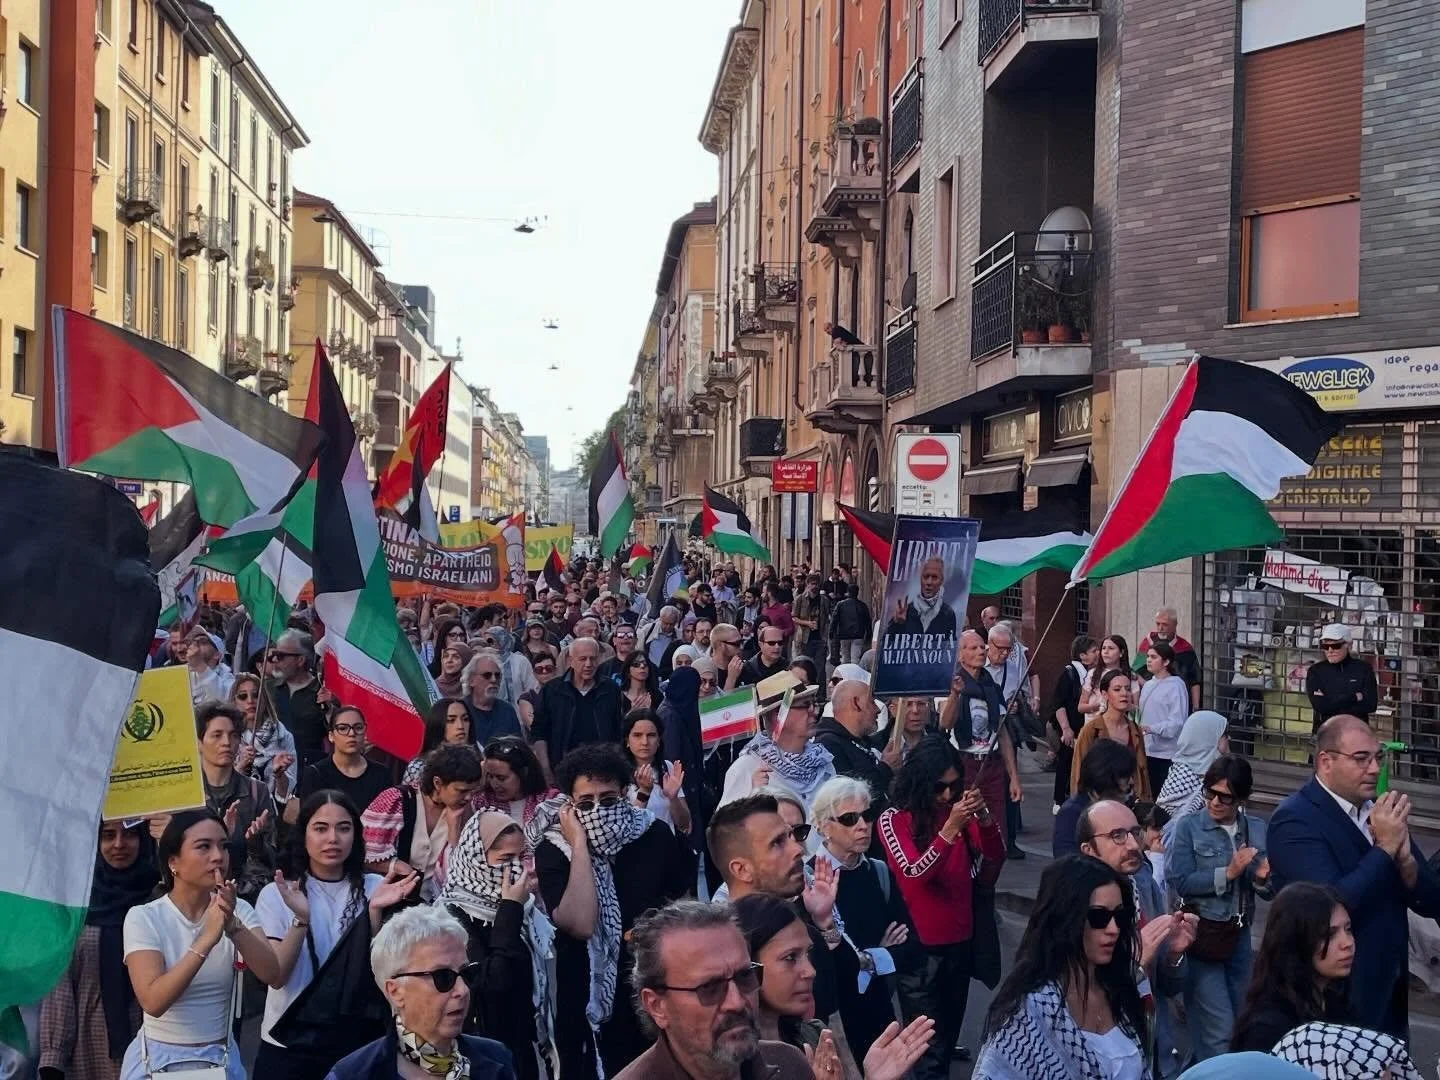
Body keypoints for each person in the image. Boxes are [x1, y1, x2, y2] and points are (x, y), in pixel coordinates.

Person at [1266, 714, 1440, 1038]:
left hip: (1391, 994)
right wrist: (1384, 850)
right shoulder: (1294, 820)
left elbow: (1431, 901)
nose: (1374, 769)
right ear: (1326, 762)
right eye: (1361, 759)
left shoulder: (1379, 813)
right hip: (1335, 1002)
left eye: (1378, 758)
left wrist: (1407, 864)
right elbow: (1329, 904)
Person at [536, 743, 693, 1078]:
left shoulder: (652, 833)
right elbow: (579, 924)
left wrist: (650, 930)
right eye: (585, 802)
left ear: (624, 793)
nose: (597, 809)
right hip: (586, 988)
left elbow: (679, 902)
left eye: (607, 799)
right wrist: (580, 846)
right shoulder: (555, 848)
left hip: (648, 979)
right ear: (570, 804)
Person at [254, 791, 419, 1078]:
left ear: (356, 835)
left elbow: (386, 973)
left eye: (344, 828)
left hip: (355, 1041)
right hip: (288, 1042)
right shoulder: (278, 893)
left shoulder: (376, 887)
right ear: (303, 835)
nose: (333, 838)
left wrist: (374, 914)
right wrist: (300, 919)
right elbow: (277, 976)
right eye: (320, 828)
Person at [878, 736, 1005, 1080]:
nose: (948, 795)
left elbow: (995, 856)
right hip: (920, 949)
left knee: (946, 1040)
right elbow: (913, 872)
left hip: (960, 942)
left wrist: (983, 816)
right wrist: (949, 831)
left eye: (955, 786)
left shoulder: (958, 811)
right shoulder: (893, 819)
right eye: (940, 787)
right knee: (927, 1052)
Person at [120, 810, 280, 1080]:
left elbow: (272, 974)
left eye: (223, 846)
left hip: (219, 1059)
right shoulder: (145, 917)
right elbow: (153, 1002)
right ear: (173, 862)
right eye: (203, 847)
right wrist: (206, 939)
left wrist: (233, 926)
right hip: (158, 1061)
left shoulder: (238, 909)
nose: (218, 856)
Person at [973, 856, 1148, 1080]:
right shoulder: (1027, 1012)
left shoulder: (1121, 990)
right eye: (1099, 917)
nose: (1113, 928)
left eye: (1119, 916)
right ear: (1066, 919)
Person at [617, 900, 812, 1080]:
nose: (736, 1002)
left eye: (744, 976)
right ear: (657, 1006)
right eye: (709, 988)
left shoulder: (789, 1065)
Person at [324, 905, 518, 1080]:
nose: (463, 990)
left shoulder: (496, 1058)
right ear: (395, 991)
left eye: (467, 974)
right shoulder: (353, 1074)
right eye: (443, 977)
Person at [1166, 755, 1274, 1061]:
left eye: (1224, 797)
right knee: (1219, 1030)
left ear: (1240, 799)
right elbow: (1181, 881)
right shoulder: (1189, 827)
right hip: (1203, 934)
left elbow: (1267, 890)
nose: (1214, 802)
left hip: (1239, 935)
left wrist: (1262, 878)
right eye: (1209, 793)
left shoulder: (1255, 828)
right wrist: (1227, 873)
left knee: (1241, 1023)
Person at [1078, 800, 1197, 1074]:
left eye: (1135, 832)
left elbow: (1168, 986)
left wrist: (1174, 956)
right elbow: (1078, 994)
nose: (1133, 844)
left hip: (1154, 1053)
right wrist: (1135, 965)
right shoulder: (1076, 906)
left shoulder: (1145, 887)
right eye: (1117, 836)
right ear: (1088, 850)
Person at [811, 777, 919, 1063]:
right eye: (849, 819)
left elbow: (912, 950)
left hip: (878, 1013)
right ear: (822, 826)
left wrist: (866, 959)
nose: (862, 825)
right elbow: (825, 964)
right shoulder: (808, 880)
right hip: (832, 1022)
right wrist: (881, 954)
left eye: (868, 815)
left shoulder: (878, 872)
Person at [441, 811, 556, 1080]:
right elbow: (492, 986)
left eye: (520, 858)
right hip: (482, 1054)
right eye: (504, 860)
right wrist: (509, 910)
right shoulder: (452, 918)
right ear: (477, 860)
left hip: (522, 1046)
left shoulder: (526, 910)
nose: (515, 869)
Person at [39, 822, 158, 1080]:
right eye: (107, 836)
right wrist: (53, 1058)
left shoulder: (160, 900)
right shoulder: (75, 907)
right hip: (90, 1048)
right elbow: (60, 990)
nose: (119, 844)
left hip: (154, 1045)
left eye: (130, 834)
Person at [1229, 882, 1357, 1053]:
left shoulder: (1335, 1004)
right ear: (1296, 940)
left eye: (1348, 929)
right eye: (1329, 934)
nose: (1347, 943)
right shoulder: (1269, 1028)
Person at [361, 744, 486, 901]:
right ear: (437, 783)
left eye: (472, 791)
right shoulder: (397, 800)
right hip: (389, 901)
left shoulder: (469, 813)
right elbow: (363, 853)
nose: (468, 797)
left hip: (439, 905)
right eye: (461, 791)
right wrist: (398, 866)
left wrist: (454, 830)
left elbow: (465, 869)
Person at [940, 630, 1023, 846]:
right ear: (960, 655)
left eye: (982, 647)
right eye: (973, 648)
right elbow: (945, 723)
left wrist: (1013, 777)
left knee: (996, 827)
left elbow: (1002, 734)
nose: (981, 651)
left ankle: (993, 863)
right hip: (963, 762)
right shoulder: (951, 683)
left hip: (991, 763)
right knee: (966, 824)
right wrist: (955, 695)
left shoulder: (990, 686)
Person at [720, 686, 835, 812]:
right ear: (779, 715)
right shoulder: (747, 767)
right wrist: (751, 799)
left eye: (814, 703)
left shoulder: (822, 761)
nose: (815, 711)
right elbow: (724, 823)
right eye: (806, 705)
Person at [531, 636, 625, 782]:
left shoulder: (611, 689)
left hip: (603, 770)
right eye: (583, 659)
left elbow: (618, 731)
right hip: (562, 769)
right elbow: (539, 732)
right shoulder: (552, 690)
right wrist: (545, 770)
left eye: (593, 659)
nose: (588, 664)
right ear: (571, 660)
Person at [287, 706, 393, 823]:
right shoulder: (316, 774)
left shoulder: (382, 774)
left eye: (358, 728)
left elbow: (387, 822)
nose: (352, 733)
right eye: (343, 728)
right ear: (331, 735)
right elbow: (309, 821)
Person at [813, 678, 893, 815]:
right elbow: (851, 799)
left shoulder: (860, 740)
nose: (878, 709)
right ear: (855, 703)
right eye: (872, 702)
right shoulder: (829, 746)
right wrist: (885, 768)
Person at [1070, 668, 1151, 802]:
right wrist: (1079, 806)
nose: (1124, 694)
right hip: (1099, 802)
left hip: (1130, 801)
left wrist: (1146, 803)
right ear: (1105, 694)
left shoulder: (1135, 730)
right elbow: (1078, 771)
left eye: (1128, 689)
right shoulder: (1091, 730)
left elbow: (1143, 772)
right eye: (1117, 689)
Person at [1053, 739, 1139, 859]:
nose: (1131, 782)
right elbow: (1067, 862)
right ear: (1105, 777)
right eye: (1124, 776)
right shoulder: (1072, 813)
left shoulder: (1125, 807)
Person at [476, 736, 562, 844]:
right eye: (490, 776)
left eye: (501, 778)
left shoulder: (550, 803)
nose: (494, 784)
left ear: (523, 773)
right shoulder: (482, 803)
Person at [623, 708, 692, 836]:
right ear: (627, 741)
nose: (645, 742)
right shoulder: (618, 774)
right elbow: (626, 828)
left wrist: (673, 798)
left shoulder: (667, 768)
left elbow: (685, 825)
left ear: (659, 740)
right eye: (637, 735)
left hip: (667, 844)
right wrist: (643, 793)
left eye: (651, 735)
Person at [1049, 635, 1100, 810]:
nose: (1098, 654)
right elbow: (1059, 704)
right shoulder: (1069, 674)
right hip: (1072, 729)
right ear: (1082, 656)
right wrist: (1066, 729)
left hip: (1087, 729)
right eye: (1094, 651)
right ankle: (1060, 801)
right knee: (1066, 763)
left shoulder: (1095, 674)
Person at [230, 673, 298, 804]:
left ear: (264, 699)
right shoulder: (228, 737)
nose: (250, 701)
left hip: (273, 810)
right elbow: (222, 786)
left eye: (256, 695)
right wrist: (241, 765)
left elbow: (286, 795)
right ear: (234, 702)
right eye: (243, 696)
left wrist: (279, 774)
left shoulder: (283, 736)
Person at [268, 630, 327, 771]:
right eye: (274, 655)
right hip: (271, 767)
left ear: (300, 660)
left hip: (308, 768)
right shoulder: (267, 688)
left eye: (281, 656)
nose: (275, 660)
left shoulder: (321, 691)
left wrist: (331, 707)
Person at [1155, 711, 1229, 821]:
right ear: (1209, 739)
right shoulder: (1182, 777)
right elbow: (1165, 823)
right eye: (1225, 734)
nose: (1229, 738)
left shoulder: (1218, 773)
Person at [1138, 641, 1189, 795]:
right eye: (1148, 656)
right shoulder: (1148, 684)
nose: (1148, 660)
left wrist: (1152, 729)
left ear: (1166, 662)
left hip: (1166, 754)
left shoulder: (1176, 685)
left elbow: (1177, 722)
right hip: (1146, 749)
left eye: (1153, 657)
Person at [1305, 623, 1378, 732]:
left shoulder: (1363, 669)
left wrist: (1332, 701)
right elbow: (1320, 706)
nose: (1330, 650)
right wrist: (1354, 697)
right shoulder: (1316, 671)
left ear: (1348, 645)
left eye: (1335, 646)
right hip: (1326, 733)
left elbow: (1370, 705)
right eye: (1325, 646)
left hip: (1356, 732)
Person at [1135, 607, 1201, 711]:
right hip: (1151, 701)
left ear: (1175, 625)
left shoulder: (1185, 648)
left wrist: (1195, 707)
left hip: (1178, 701)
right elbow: (1135, 673)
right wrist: (1148, 686)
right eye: (1158, 624)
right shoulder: (1147, 643)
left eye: (1164, 624)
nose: (1160, 628)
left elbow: (1195, 680)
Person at [403, 698, 475, 787]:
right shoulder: (419, 768)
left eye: (465, 719)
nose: (460, 726)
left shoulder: (479, 763)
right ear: (438, 725)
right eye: (451, 720)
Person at [883, 557, 956, 641]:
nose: (929, 582)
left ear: (941, 581)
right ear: (920, 579)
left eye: (934, 577)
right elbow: (885, 644)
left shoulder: (948, 614)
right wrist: (897, 624)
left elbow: (951, 645)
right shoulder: (906, 611)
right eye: (926, 577)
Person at [462, 652, 526, 746]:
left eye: (497, 675)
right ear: (471, 680)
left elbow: (518, 747)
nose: (493, 680)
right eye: (487, 675)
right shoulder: (460, 709)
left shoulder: (508, 710)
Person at [1079, 635, 1133, 720]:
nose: (1106, 652)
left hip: (1118, 724)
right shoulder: (1093, 674)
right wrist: (1098, 706)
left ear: (1121, 652)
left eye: (1111, 648)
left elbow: (1134, 707)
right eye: (1103, 648)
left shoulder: (1129, 675)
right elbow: (1081, 707)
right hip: (1094, 724)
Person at [793, 574, 831, 674]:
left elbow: (827, 618)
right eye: (812, 584)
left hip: (820, 638)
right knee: (805, 667)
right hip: (804, 639)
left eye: (817, 584)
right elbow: (794, 618)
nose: (815, 586)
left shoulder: (824, 600)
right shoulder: (800, 599)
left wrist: (826, 637)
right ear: (808, 585)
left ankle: (820, 685)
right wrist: (807, 623)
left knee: (820, 668)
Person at [186, 627, 235, 705]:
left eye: (203, 642)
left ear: (217, 655)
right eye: (193, 642)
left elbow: (227, 699)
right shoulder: (183, 674)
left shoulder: (227, 677)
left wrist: (200, 666)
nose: (195, 645)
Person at [829, 584, 872, 668]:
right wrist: (869, 634)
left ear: (847, 592)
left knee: (845, 658)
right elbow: (867, 621)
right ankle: (854, 673)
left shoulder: (840, 605)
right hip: (858, 635)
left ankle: (845, 674)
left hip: (844, 635)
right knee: (855, 659)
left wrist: (831, 632)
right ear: (857, 592)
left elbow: (834, 619)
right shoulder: (862, 605)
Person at [886, 696, 935, 766]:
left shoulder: (941, 743)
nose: (915, 710)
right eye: (907, 704)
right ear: (893, 710)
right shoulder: (877, 745)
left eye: (921, 704)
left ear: (929, 708)